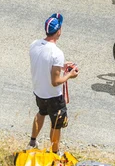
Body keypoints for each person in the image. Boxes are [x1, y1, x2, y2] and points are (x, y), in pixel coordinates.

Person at [28, 13, 79, 153]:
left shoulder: (34, 44)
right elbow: (55, 81)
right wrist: (69, 74)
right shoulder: (57, 53)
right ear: (58, 31)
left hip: (39, 91)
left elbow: (43, 63)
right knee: (56, 124)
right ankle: (54, 153)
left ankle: (32, 142)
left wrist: (60, 66)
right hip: (53, 96)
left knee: (41, 113)